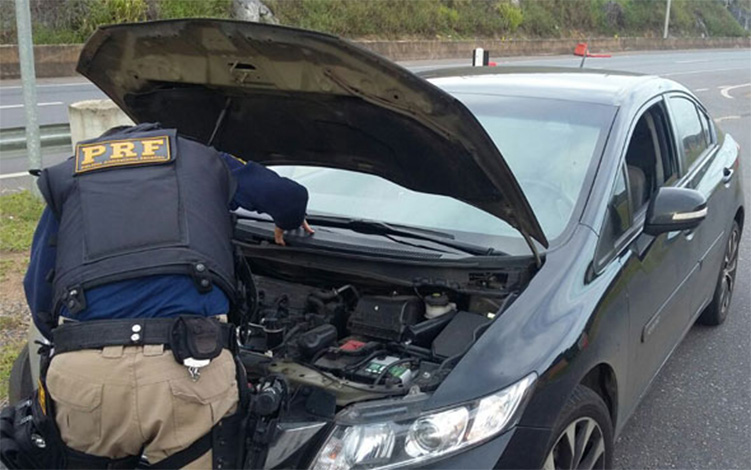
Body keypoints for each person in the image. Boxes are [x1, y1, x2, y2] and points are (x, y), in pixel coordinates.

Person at [19, 123, 313, 469]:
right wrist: (288, 220)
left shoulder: (72, 175)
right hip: (188, 368)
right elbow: (288, 197)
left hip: (85, 374)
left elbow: (38, 293)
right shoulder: (203, 160)